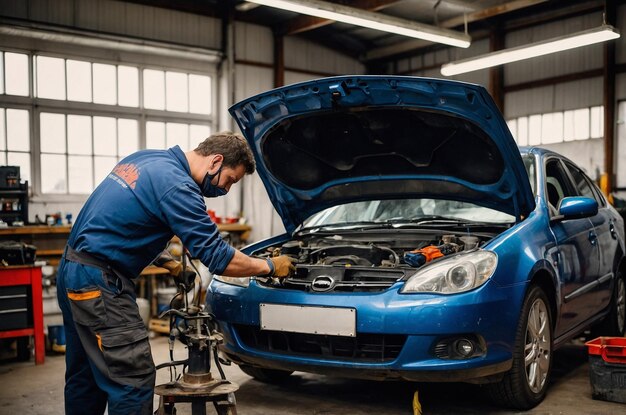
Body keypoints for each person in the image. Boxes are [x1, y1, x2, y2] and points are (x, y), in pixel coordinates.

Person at [56, 131, 295, 415]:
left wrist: (170, 263)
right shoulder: (179, 187)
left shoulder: (146, 159)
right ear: (215, 161)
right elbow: (218, 257)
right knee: (132, 379)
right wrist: (270, 266)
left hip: (73, 271)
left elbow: (125, 221)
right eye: (230, 179)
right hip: (101, 284)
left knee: (85, 377)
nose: (227, 189)